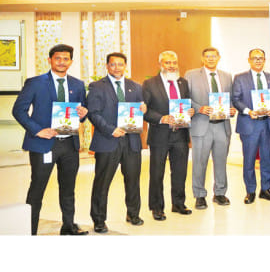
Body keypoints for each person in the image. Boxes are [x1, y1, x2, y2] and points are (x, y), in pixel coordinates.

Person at [12, 43, 89, 235]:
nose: (62, 62)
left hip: (69, 144)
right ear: (50, 60)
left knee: (68, 188)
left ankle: (68, 226)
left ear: (71, 61)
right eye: (58, 58)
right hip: (43, 144)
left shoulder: (78, 84)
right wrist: (37, 130)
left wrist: (83, 114)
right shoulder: (35, 83)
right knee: (37, 188)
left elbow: (81, 113)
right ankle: (29, 230)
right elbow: (18, 110)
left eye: (66, 59)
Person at [88, 52, 145, 232]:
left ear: (125, 66)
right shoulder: (97, 86)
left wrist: (143, 108)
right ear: (107, 66)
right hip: (107, 140)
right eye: (113, 64)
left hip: (131, 141)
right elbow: (93, 113)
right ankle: (99, 219)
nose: (117, 68)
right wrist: (110, 129)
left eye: (120, 64)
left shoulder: (136, 87)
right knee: (102, 183)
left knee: (133, 180)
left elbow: (139, 109)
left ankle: (133, 214)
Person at [142, 50, 194, 221]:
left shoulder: (183, 83)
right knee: (157, 173)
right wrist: (161, 118)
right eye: (167, 63)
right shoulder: (149, 84)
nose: (171, 66)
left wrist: (190, 111)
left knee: (180, 171)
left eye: (174, 62)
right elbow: (144, 110)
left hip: (180, 134)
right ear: (160, 64)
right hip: (160, 135)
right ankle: (157, 207)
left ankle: (178, 203)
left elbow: (187, 105)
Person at [185, 47, 236, 209]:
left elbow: (230, 98)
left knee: (221, 161)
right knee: (199, 163)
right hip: (201, 125)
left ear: (219, 57)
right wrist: (199, 108)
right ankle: (199, 195)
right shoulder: (191, 75)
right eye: (207, 56)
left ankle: (220, 193)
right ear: (202, 58)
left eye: (214, 56)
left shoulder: (227, 76)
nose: (211, 59)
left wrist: (232, 108)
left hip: (222, 126)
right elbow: (185, 98)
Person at [231, 48, 270, 204]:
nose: (258, 61)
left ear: (264, 60)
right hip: (249, 124)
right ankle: (250, 191)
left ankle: (265, 189)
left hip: (267, 124)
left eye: (261, 58)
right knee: (249, 160)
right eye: (255, 58)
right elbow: (235, 99)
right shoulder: (240, 78)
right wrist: (248, 111)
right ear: (249, 60)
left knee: (266, 159)